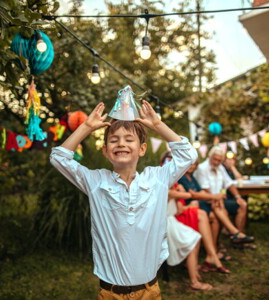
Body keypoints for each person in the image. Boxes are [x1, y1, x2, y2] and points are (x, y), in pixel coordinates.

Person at [50, 100, 198, 299]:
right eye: (114, 140)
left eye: (129, 139)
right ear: (105, 150)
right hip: (110, 293)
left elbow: (188, 155)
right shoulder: (95, 181)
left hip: (149, 291)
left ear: (142, 149)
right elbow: (59, 158)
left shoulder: (157, 179)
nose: (121, 143)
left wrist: (157, 125)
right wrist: (86, 127)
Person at [179, 160, 255, 253]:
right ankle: (233, 234)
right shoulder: (182, 177)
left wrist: (212, 197)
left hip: (201, 201)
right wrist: (215, 197)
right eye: (190, 164)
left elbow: (201, 192)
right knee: (216, 206)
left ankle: (219, 245)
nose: (192, 167)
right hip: (191, 204)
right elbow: (193, 194)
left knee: (217, 210)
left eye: (194, 165)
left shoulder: (190, 177)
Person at [194, 146, 248, 232]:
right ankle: (234, 234)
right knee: (221, 210)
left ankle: (239, 236)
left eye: (219, 160)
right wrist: (217, 199)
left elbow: (229, 184)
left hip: (219, 199)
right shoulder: (202, 168)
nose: (216, 162)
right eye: (214, 159)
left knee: (243, 204)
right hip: (207, 200)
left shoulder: (221, 168)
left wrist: (238, 197)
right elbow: (205, 189)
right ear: (210, 157)